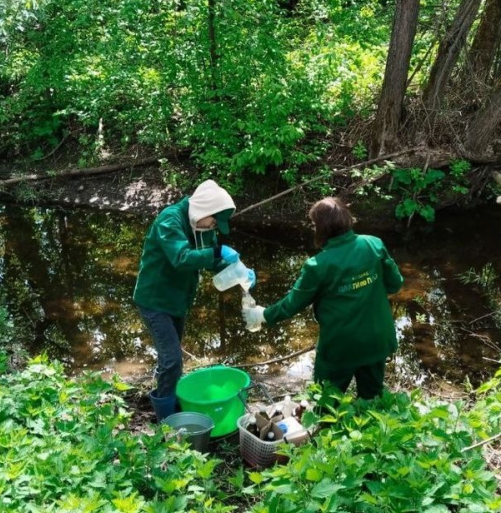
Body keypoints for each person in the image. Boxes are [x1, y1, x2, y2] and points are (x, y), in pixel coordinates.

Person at [243, 197, 403, 400]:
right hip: (377, 339)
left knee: (326, 402)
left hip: (340, 347)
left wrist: (263, 315)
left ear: (321, 229)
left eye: (313, 224)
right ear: (347, 219)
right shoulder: (374, 245)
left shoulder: (317, 265)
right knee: (372, 401)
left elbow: (292, 304)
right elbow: (395, 284)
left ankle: (328, 430)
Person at [133, 179, 253, 419]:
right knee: (172, 359)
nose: (213, 228)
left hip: (178, 301)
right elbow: (182, 258)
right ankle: (166, 419)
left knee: (170, 358)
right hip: (155, 300)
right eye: (213, 221)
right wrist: (219, 252)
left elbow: (210, 260)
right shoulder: (170, 220)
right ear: (203, 210)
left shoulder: (202, 226)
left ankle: (169, 398)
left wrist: (239, 269)